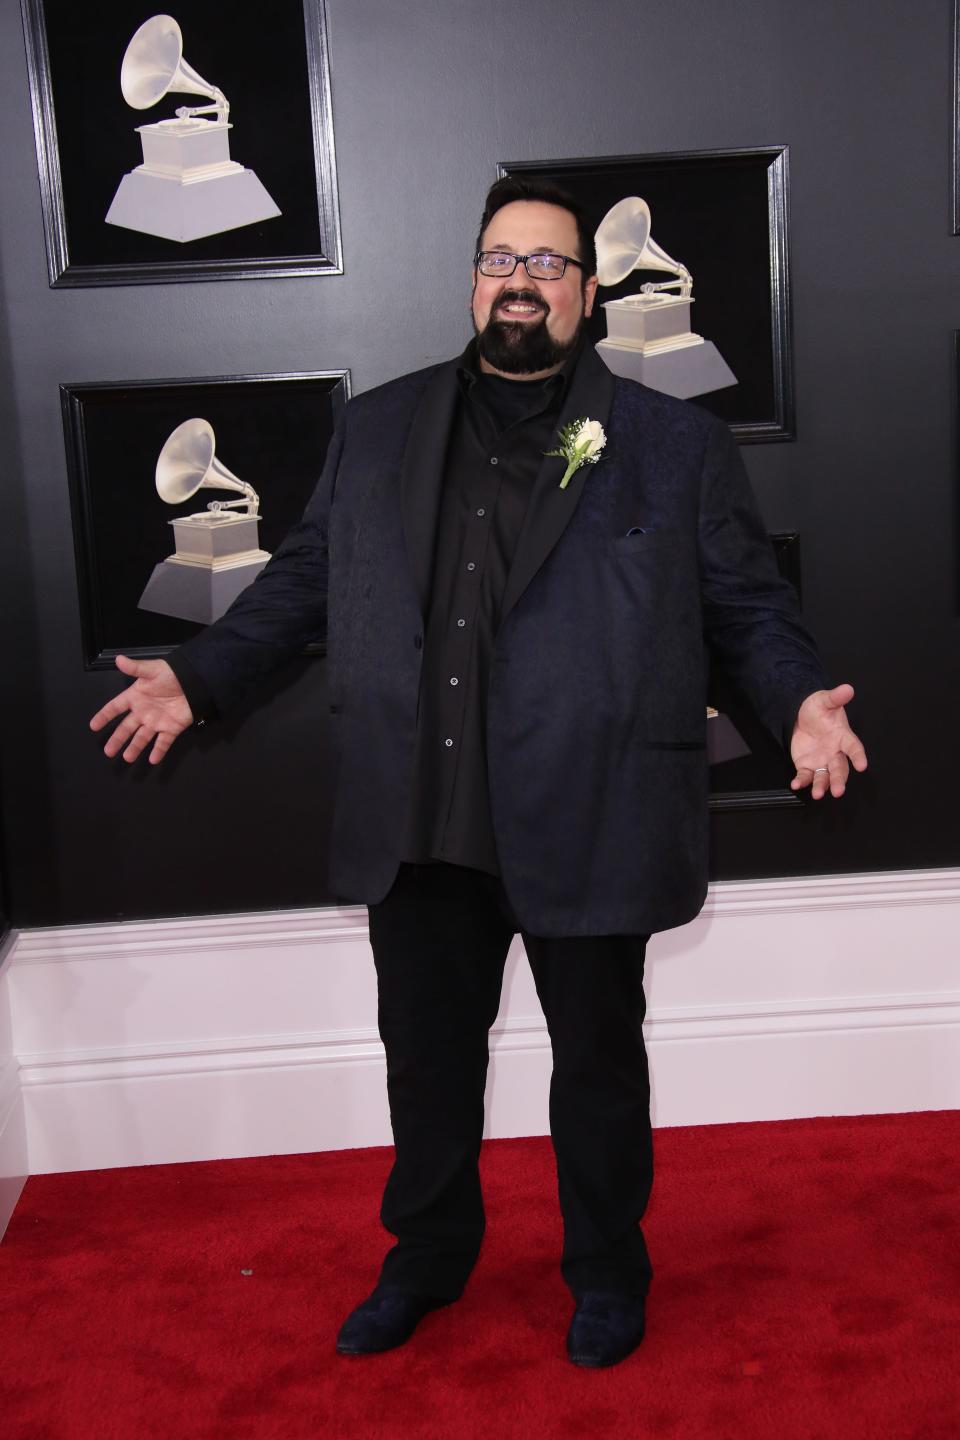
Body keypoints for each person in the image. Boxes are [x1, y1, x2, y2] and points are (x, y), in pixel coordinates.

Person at [90, 176, 867, 1369]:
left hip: (593, 808)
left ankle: (607, 1271)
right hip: (424, 815)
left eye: (549, 264)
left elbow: (748, 608)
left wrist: (799, 697)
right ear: (473, 277)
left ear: (587, 291)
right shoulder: (384, 424)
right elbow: (304, 580)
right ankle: (427, 1258)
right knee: (429, 1066)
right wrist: (203, 677)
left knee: (598, 1070)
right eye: (502, 258)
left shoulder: (674, 445)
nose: (522, 281)